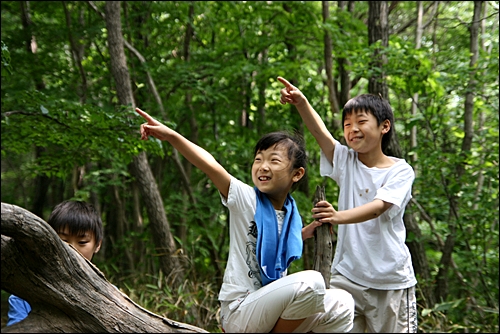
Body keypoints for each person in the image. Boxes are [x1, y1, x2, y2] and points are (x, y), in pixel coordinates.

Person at [135, 107, 354, 333]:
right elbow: (209, 164)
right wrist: (171, 135)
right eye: (258, 159)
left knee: (343, 303)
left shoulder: (291, 215)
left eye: (274, 160)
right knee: (312, 282)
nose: (263, 166)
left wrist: (310, 230)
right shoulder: (246, 198)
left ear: (296, 174)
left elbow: (278, 242)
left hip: (274, 315)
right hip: (241, 311)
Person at [278, 76, 418, 333]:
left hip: (390, 281)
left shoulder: (400, 170)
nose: (352, 129)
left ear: (384, 126)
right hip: (347, 277)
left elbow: (379, 206)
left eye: (361, 122)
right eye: (347, 124)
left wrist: (337, 216)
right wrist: (301, 103)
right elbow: (320, 132)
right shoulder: (345, 160)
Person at [7, 200, 103, 327]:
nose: (71, 249)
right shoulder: (23, 295)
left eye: (82, 242)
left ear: (97, 245)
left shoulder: (111, 298)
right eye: (63, 240)